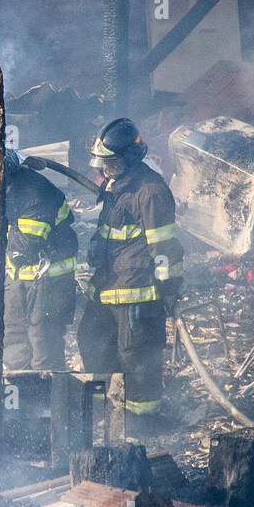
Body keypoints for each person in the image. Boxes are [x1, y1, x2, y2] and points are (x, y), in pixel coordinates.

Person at [77, 118, 183, 423]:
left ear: (129, 159)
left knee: (136, 361)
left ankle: (141, 425)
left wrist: (169, 291)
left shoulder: (150, 192)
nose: (103, 170)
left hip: (137, 294)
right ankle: (98, 417)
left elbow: (163, 249)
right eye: (103, 164)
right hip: (106, 289)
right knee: (93, 344)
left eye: (110, 163)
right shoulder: (118, 185)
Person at [0, 139, 78, 370]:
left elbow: (22, 246)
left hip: (48, 279)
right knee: (12, 335)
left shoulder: (35, 194)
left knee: (43, 338)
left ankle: (47, 399)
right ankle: (20, 395)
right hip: (17, 278)